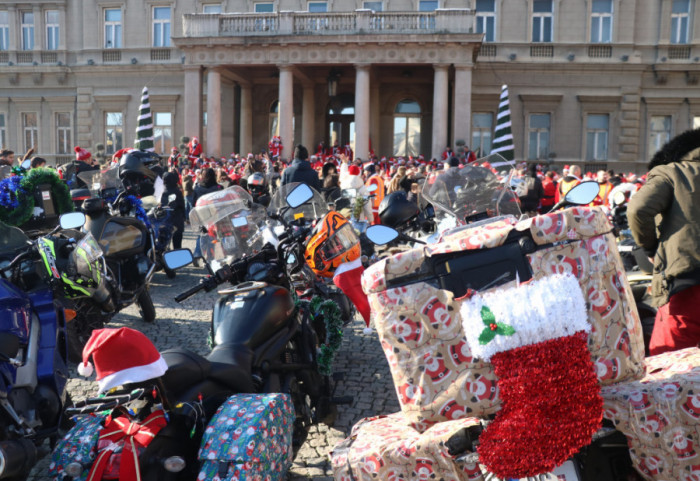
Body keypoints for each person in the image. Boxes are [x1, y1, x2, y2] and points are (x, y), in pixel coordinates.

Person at [628, 129, 700, 356]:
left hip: (686, 283)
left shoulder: (672, 172)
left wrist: (650, 248)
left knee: (669, 367)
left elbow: (639, 209)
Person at [161, 171, 186, 250]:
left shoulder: (161, 191)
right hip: (177, 221)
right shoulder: (177, 191)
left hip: (163, 221)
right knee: (177, 245)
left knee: (163, 245)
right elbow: (182, 206)